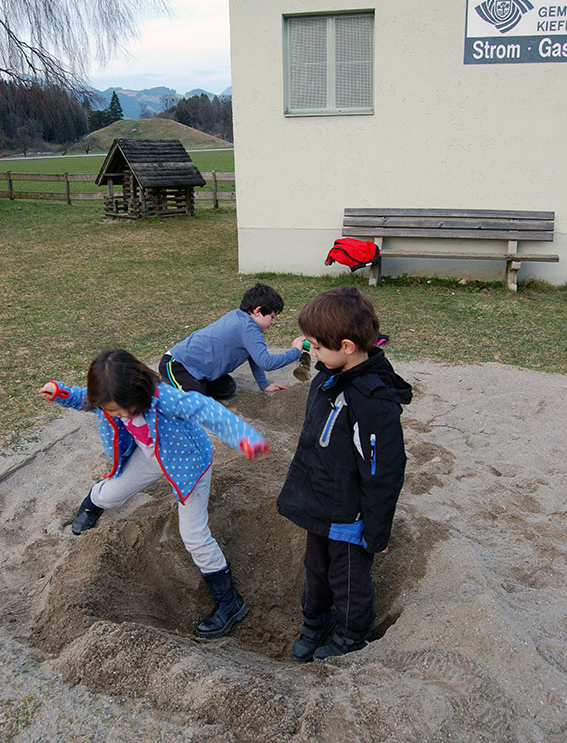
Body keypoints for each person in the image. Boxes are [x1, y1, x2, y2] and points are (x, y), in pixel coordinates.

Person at [39, 349, 270, 640]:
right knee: (110, 495)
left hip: (188, 464)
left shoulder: (165, 399)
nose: (121, 415)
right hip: (149, 456)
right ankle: (91, 506)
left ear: (141, 391)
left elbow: (204, 408)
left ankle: (229, 603)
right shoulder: (108, 397)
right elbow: (83, 398)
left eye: (128, 410)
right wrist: (59, 392)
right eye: (113, 411)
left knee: (194, 535)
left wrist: (243, 437)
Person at [277, 286, 412, 661]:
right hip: (318, 499)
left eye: (318, 347)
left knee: (347, 578)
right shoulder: (329, 374)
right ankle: (315, 620)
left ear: (348, 346)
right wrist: (309, 346)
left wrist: (377, 530)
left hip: (349, 513)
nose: (312, 352)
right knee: (315, 568)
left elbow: (383, 471)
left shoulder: (372, 402)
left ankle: (354, 634)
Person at [159, 283, 304, 399]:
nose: (273, 322)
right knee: (196, 404)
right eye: (272, 317)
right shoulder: (247, 328)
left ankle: (194, 385)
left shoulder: (242, 318)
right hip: (177, 364)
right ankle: (163, 389)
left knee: (226, 388)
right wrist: (295, 352)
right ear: (258, 311)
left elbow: (254, 357)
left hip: (201, 370)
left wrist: (264, 385)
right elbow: (266, 362)